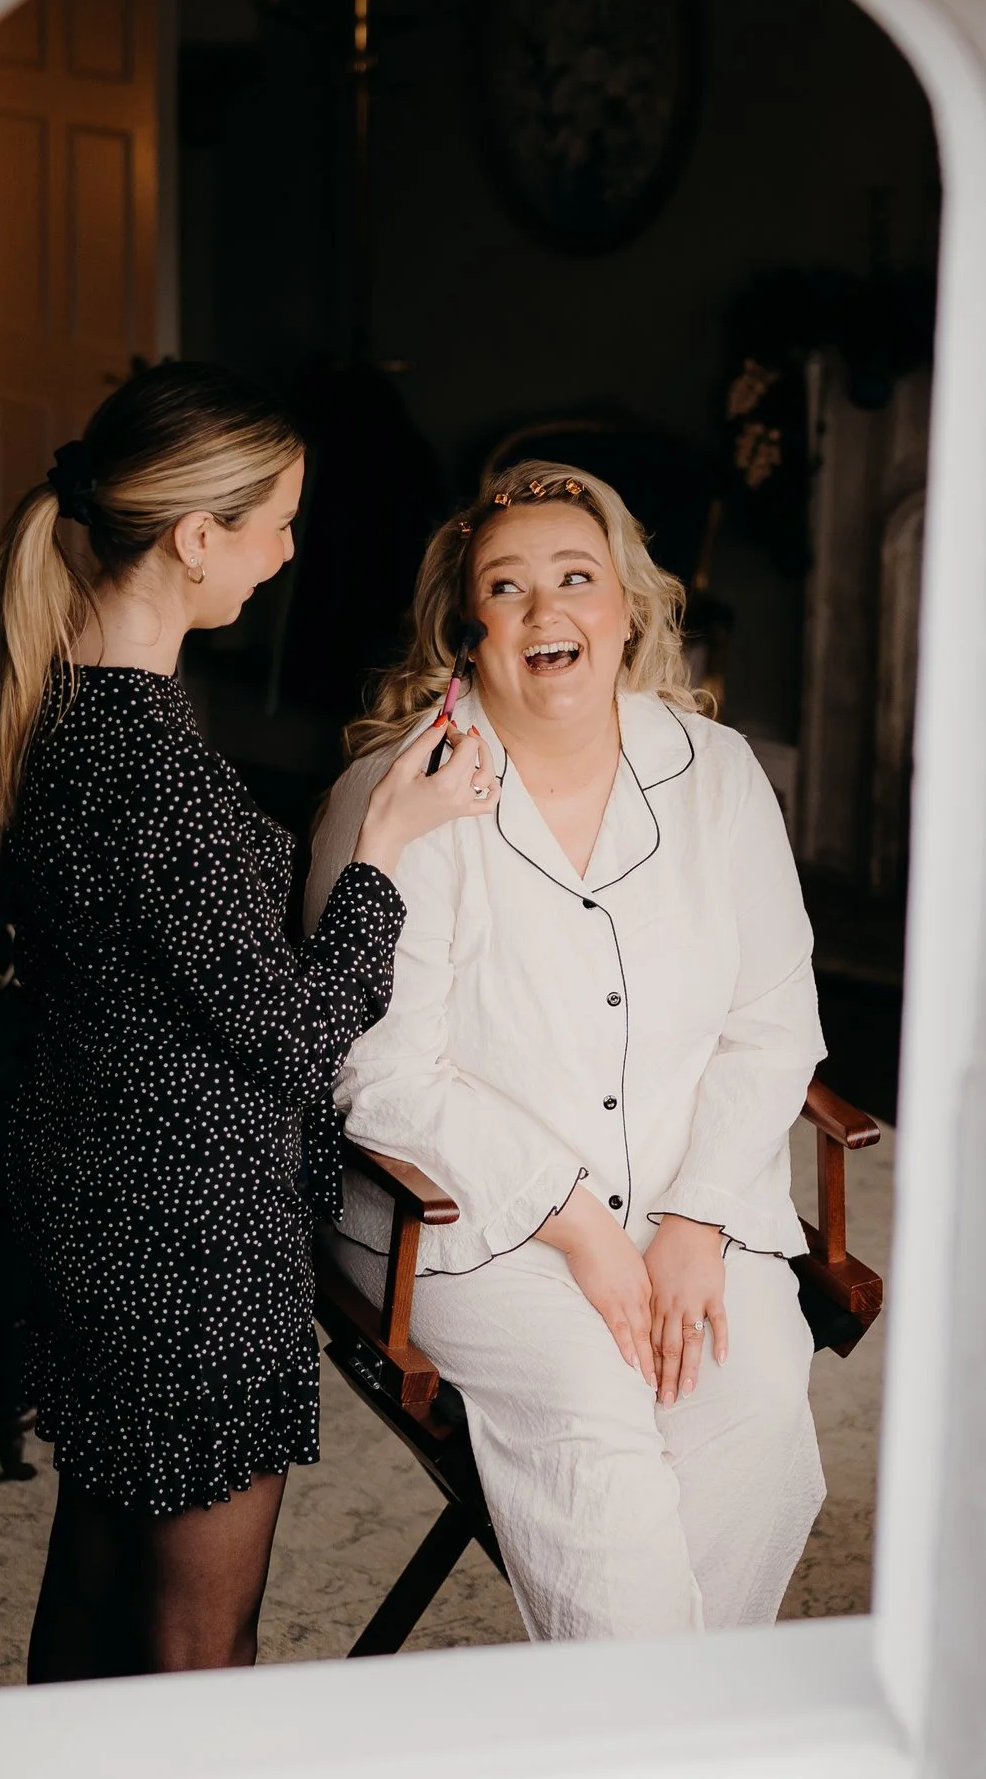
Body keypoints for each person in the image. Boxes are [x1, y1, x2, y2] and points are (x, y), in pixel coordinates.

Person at [0, 360, 489, 1682]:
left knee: (93, 1573)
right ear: (198, 538)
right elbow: (301, 1038)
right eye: (275, 521)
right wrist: (386, 847)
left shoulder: (64, 711)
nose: (288, 550)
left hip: (85, 1194)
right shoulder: (161, 779)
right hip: (191, 1246)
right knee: (205, 1637)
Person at [306, 462, 827, 1640]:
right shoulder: (401, 796)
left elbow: (772, 1020)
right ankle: (660, 1774)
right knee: (601, 1461)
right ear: (466, 628)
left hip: (701, 1208)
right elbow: (381, 1073)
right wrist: (581, 1226)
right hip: (487, 1228)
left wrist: (694, 1222)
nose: (547, 611)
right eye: (509, 587)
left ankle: (651, 1757)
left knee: (755, 1439)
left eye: (576, 579)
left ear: (628, 610)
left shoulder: (719, 775)